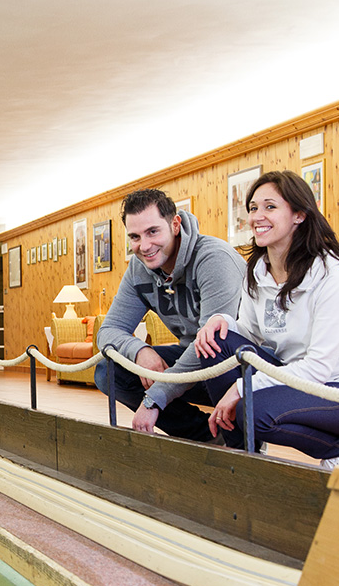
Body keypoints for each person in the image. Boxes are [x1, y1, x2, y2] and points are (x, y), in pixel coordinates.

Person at [194, 170, 339, 467]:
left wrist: (238, 389)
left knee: (254, 409)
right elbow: (250, 334)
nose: (257, 216)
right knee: (216, 343)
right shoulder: (258, 271)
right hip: (296, 378)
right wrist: (221, 321)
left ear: (298, 214)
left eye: (270, 207)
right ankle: (246, 451)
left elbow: (318, 367)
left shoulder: (330, 274)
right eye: (253, 208)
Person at [95, 189, 245, 441]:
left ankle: (241, 441)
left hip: (237, 365)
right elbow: (107, 332)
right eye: (135, 236)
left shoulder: (213, 258)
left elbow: (213, 342)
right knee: (109, 371)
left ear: (175, 225)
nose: (144, 246)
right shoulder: (138, 268)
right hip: (193, 361)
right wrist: (141, 351)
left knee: (212, 352)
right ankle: (208, 437)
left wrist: (154, 400)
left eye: (153, 232)